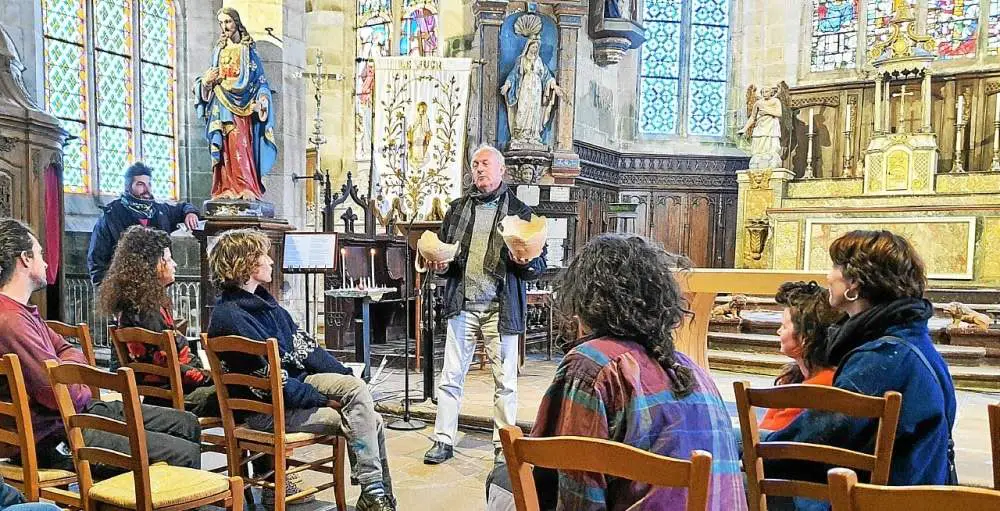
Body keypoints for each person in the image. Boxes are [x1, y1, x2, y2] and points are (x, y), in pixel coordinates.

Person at [519, 234, 745, 510]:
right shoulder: (694, 369)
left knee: (503, 480)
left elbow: (575, 488)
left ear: (586, 299)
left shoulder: (593, 363)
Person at [206, 229, 395, 511]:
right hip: (266, 412)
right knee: (371, 420)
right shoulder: (231, 318)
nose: (270, 261)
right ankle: (377, 495)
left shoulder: (265, 304)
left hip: (291, 391)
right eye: (263, 256)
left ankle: (375, 494)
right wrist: (324, 399)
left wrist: (346, 374)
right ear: (245, 264)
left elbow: (308, 350)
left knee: (357, 394)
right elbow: (273, 385)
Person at [0, 218, 201, 472]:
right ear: (25, 259)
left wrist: (68, 369)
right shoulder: (11, 321)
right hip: (59, 433)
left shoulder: (20, 313)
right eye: (40, 253)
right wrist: (72, 375)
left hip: (75, 415)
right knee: (183, 452)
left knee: (186, 423)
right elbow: (63, 393)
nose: (47, 261)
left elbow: (67, 351)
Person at [764, 230, 957, 493]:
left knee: (727, 479)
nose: (828, 276)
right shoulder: (908, 343)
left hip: (884, 501)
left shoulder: (882, 357)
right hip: (908, 494)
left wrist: (745, 450)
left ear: (854, 283)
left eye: (835, 266)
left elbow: (813, 444)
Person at [423, 144, 547, 466]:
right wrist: (441, 266)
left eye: (485, 164)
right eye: (475, 164)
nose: (479, 169)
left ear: (501, 169)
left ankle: (503, 443)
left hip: (500, 308)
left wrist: (523, 263)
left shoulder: (520, 211)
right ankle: (443, 439)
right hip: (462, 305)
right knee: (451, 376)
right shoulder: (457, 209)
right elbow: (448, 257)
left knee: (505, 381)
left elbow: (538, 266)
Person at [98, 225, 216, 417]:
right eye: (168, 259)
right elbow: (173, 367)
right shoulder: (148, 311)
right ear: (151, 266)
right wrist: (212, 376)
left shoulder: (134, 303)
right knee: (240, 395)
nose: (174, 264)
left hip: (159, 395)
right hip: (176, 397)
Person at [194, 7, 277, 201]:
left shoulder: (247, 51)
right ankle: (225, 187)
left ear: (237, 23)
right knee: (223, 147)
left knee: (240, 144)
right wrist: (206, 82)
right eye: (221, 23)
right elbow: (207, 79)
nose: (225, 27)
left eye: (228, 22)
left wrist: (261, 101)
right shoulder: (218, 51)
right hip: (220, 103)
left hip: (242, 106)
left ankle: (245, 185)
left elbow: (260, 83)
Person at [87, 162, 199, 286]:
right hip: (124, 289)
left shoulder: (160, 211)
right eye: (140, 184)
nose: (147, 189)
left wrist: (190, 212)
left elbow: (183, 207)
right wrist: (108, 294)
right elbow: (97, 261)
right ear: (128, 186)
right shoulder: (111, 216)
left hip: (156, 289)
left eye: (149, 184)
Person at [759, 281, 844, 431]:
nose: (779, 331)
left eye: (784, 326)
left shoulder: (819, 386)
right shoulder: (794, 377)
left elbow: (770, 438)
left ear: (806, 337)